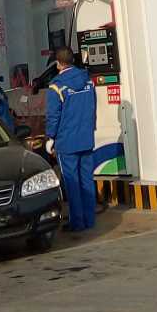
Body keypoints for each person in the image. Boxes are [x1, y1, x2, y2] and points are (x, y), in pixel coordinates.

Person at [43, 47, 97, 231]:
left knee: (72, 184)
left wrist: (50, 137)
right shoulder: (88, 80)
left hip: (67, 142)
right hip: (86, 138)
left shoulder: (56, 86)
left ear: (58, 64)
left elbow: (53, 116)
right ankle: (89, 219)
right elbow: (93, 108)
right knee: (87, 180)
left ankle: (77, 222)